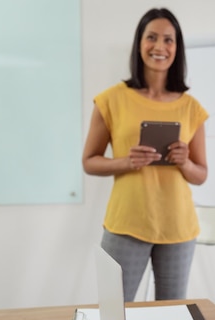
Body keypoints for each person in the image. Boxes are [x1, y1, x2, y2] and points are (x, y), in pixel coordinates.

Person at [82, 8, 208, 302]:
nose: (160, 47)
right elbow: (89, 161)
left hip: (178, 228)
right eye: (151, 37)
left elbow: (201, 174)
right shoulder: (111, 99)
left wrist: (184, 161)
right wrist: (126, 161)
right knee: (115, 314)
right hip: (126, 224)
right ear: (140, 43)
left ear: (177, 48)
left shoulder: (191, 107)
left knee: (170, 317)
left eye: (168, 40)